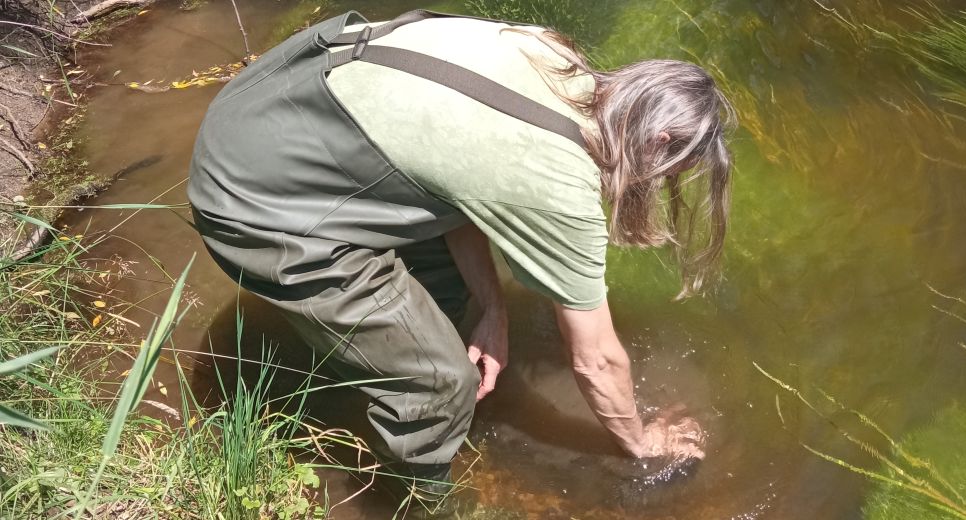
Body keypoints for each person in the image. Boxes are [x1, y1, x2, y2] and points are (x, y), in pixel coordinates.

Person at [187, 8, 733, 506]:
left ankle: (395, 369)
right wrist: (643, 443)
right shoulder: (560, 187)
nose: (659, 185)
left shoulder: (547, 51)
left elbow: (457, 174)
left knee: (450, 309)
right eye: (670, 172)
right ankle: (418, 499)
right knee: (441, 381)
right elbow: (596, 360)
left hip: (264, 100)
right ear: (659, 141)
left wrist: (491, 308)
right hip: (250, 202)